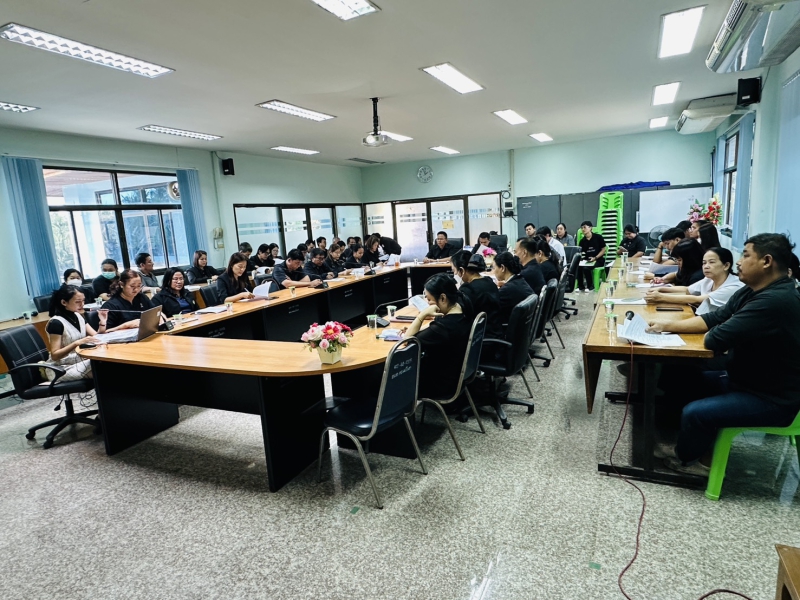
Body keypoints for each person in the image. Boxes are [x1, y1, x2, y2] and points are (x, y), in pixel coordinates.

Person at [647, 233, 800, 475]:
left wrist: (716, 328)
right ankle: (691, 445)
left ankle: (693, 462)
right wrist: (666, 325)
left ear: (767, 261)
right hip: (745, 380)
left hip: (771, 397)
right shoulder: (753, 290)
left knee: (695, 413)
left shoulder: (775, 300)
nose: (739, 261)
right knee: (681, 377)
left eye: (746, 255)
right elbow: (714, 317)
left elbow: (714, 338)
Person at [402, 273, 472, 399]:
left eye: (429, 299)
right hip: (456, 375)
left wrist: (422, 315)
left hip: (440, 384)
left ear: (443, 298)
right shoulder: (463, 308)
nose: (427, 303)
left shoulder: (442, 328)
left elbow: (407, 341)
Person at [645, 247, 743, 315]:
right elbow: (687, 289)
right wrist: (660, 289)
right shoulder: (709, 279)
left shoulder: (734, 286)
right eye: (704, 263)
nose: (706, 266)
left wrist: (661, 297)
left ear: (726, 265)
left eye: (711, 262)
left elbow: (697, 299)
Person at [44, 285, 107, 381]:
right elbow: (55, 355)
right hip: (61, 368)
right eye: (78, 302)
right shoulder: (56, 322)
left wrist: (102, 321)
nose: (82, 304)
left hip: (79, 360)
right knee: (103, 369)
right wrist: (77, 343)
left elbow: (96, 336)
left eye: (83, 301)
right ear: (64, 302)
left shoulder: (78, 315)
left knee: (105, 364)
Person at [451, 251, 503, 339]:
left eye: (454, 271)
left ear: (462, 270)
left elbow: (456, 317)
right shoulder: (489, 281)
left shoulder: (468, 289)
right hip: (494, 333)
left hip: (480, 338)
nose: (454, 275)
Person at [492, 251, 534, 325]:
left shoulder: (506, 290)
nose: (493, 271)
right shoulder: (520, 280)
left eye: (494, 268)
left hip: (509, 328)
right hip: (528, 325)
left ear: (502, 268)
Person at [577, 221, 606, 292]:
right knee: (578, 267)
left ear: (590, 228)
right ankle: (581, 286)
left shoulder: (598, 237)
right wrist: (581, 259)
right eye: (582, 228)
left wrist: (595, 258)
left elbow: (603, 250)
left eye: (585, 227)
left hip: (598, 259)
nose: (583, 229)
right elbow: (580, 252)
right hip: (588, 260)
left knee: (586, 268)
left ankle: (590, 286)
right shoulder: (582, 241)